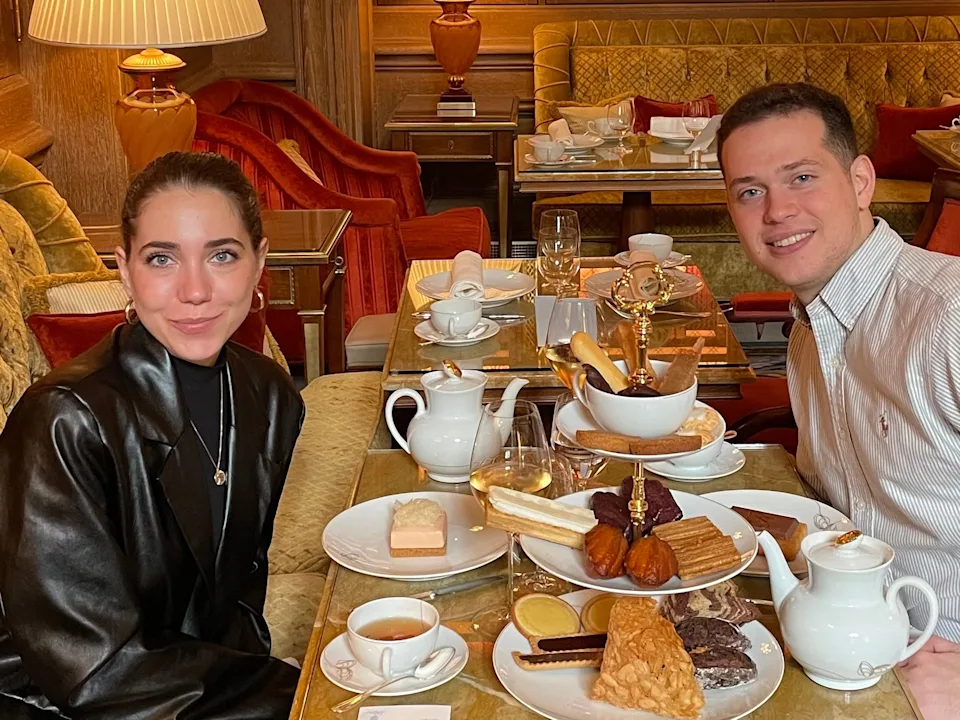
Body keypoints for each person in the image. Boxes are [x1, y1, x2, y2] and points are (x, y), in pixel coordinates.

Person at [0, 152, 304, 718]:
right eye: (162, 258)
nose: (194, 290)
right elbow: (95, 672)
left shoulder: (271, 395)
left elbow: (231, 601)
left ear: (259, 264)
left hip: (190, 691)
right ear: (124, 268)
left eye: (222, 255)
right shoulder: (63, 420)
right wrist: (292, 694)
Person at [718, 82, 960, 720]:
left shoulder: (948, 314)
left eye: (801, 177)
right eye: (749, 191)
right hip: (844, 649)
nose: (775, 211)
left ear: (859, 181)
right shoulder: (808, 332)